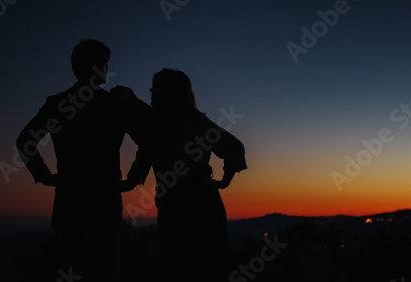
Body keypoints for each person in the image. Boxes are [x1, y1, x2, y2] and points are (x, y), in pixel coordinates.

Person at [16, 39, 150, 281]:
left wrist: (45, 176)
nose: (105, 68)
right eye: (99, 62)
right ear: (80, 65)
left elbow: (26, 140)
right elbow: (147, 141)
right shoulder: (111, 104)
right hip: (96, 200)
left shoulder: (64, 103)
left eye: (106, 63)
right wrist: (132, 179)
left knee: (83, 270)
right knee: (97, 270)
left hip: (78, 200)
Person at [129, 68, 247, 281]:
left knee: (202, 264)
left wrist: (226, 178)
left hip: (198, 200)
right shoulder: (161, 122)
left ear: (170, 92)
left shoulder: (191, 123)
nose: (150, 91)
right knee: (180, 264)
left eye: (156, 88)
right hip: (178, 200)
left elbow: (234, 146)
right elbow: (234, 147)